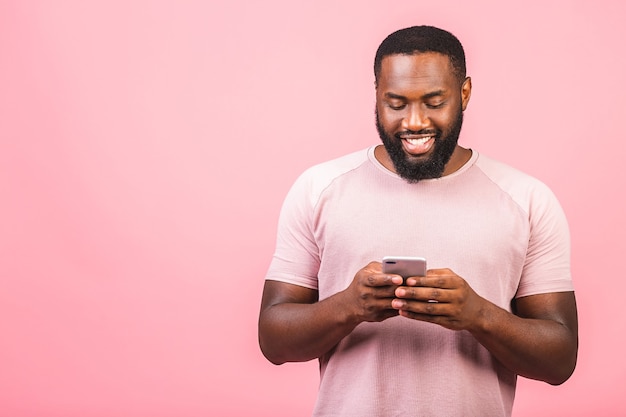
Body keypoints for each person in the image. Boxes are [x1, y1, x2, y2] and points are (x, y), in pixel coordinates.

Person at [258, 25, 578, 417]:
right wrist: (349, 306)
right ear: (376, 95)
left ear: (464, 94)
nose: (413, 122)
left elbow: (560, 360)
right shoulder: (318, 188)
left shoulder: (527, 199)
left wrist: (479, 315)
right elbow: (273, 340)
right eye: (396, 103)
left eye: (433, 101)